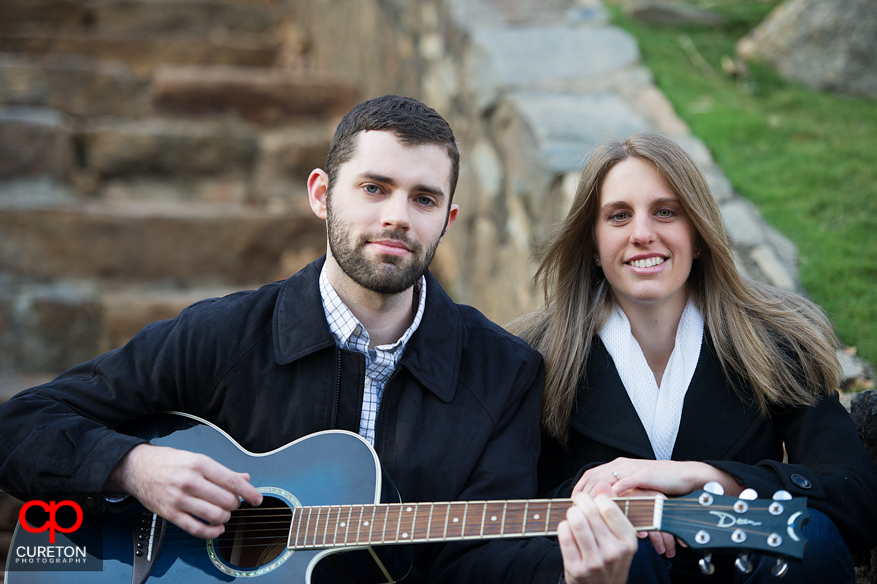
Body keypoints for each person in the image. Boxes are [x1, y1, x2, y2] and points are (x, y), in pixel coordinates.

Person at [0, 95, 636, 583]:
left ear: (447, 221)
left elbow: (481, 563)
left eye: (423, 199)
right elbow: (21, 423)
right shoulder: (224, 336)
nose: (396, 216)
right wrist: (133, 466)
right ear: (321, 195)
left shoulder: (504, 372)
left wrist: (575, 573)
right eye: (373, 188)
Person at [511, 132, 877, 583]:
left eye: (666, 212)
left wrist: (705, 479)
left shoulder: (775, 340)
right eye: (619, 216)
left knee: (810, 535)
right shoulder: (534, 356)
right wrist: (612, 503)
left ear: (699, 234)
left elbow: (856, 499)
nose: (643, 234)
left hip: (750, 571)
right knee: (618, 545)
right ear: (592, 244)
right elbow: (509, 514)